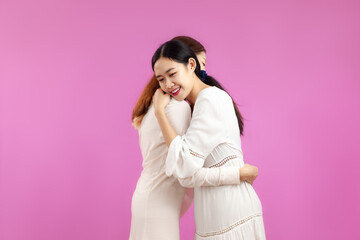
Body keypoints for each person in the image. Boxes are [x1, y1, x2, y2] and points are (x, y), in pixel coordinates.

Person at [129, 36, 260, 240]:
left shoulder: (208, 100)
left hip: (229, 211)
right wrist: (238, 173)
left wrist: (161, 113)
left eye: (172, 74)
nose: (168, 84)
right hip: (215, 213)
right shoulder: (186, 106)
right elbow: (185, 170)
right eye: (161, 78)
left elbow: (184, 167)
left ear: (190, 65)